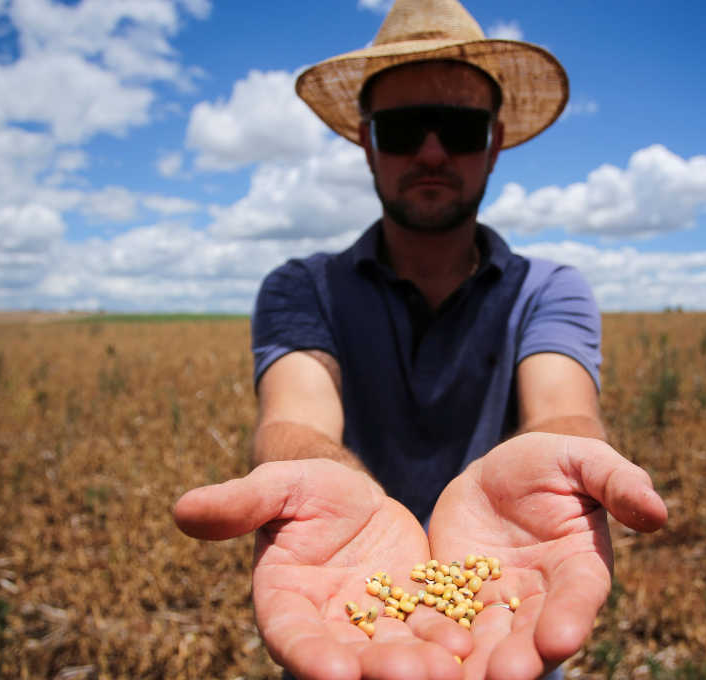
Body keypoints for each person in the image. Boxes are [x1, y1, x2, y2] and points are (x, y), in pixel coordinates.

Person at [173, 1, 668, 678]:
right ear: (365, 140)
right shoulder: (301, 288)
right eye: (403, 129)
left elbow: (563, 409)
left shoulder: (551, 290)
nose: (432, 152)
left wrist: (567, 452)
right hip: (349, 620)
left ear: (494, 142)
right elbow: (293, 416)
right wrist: (328, 479)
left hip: (506, 619)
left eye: (460, 129)